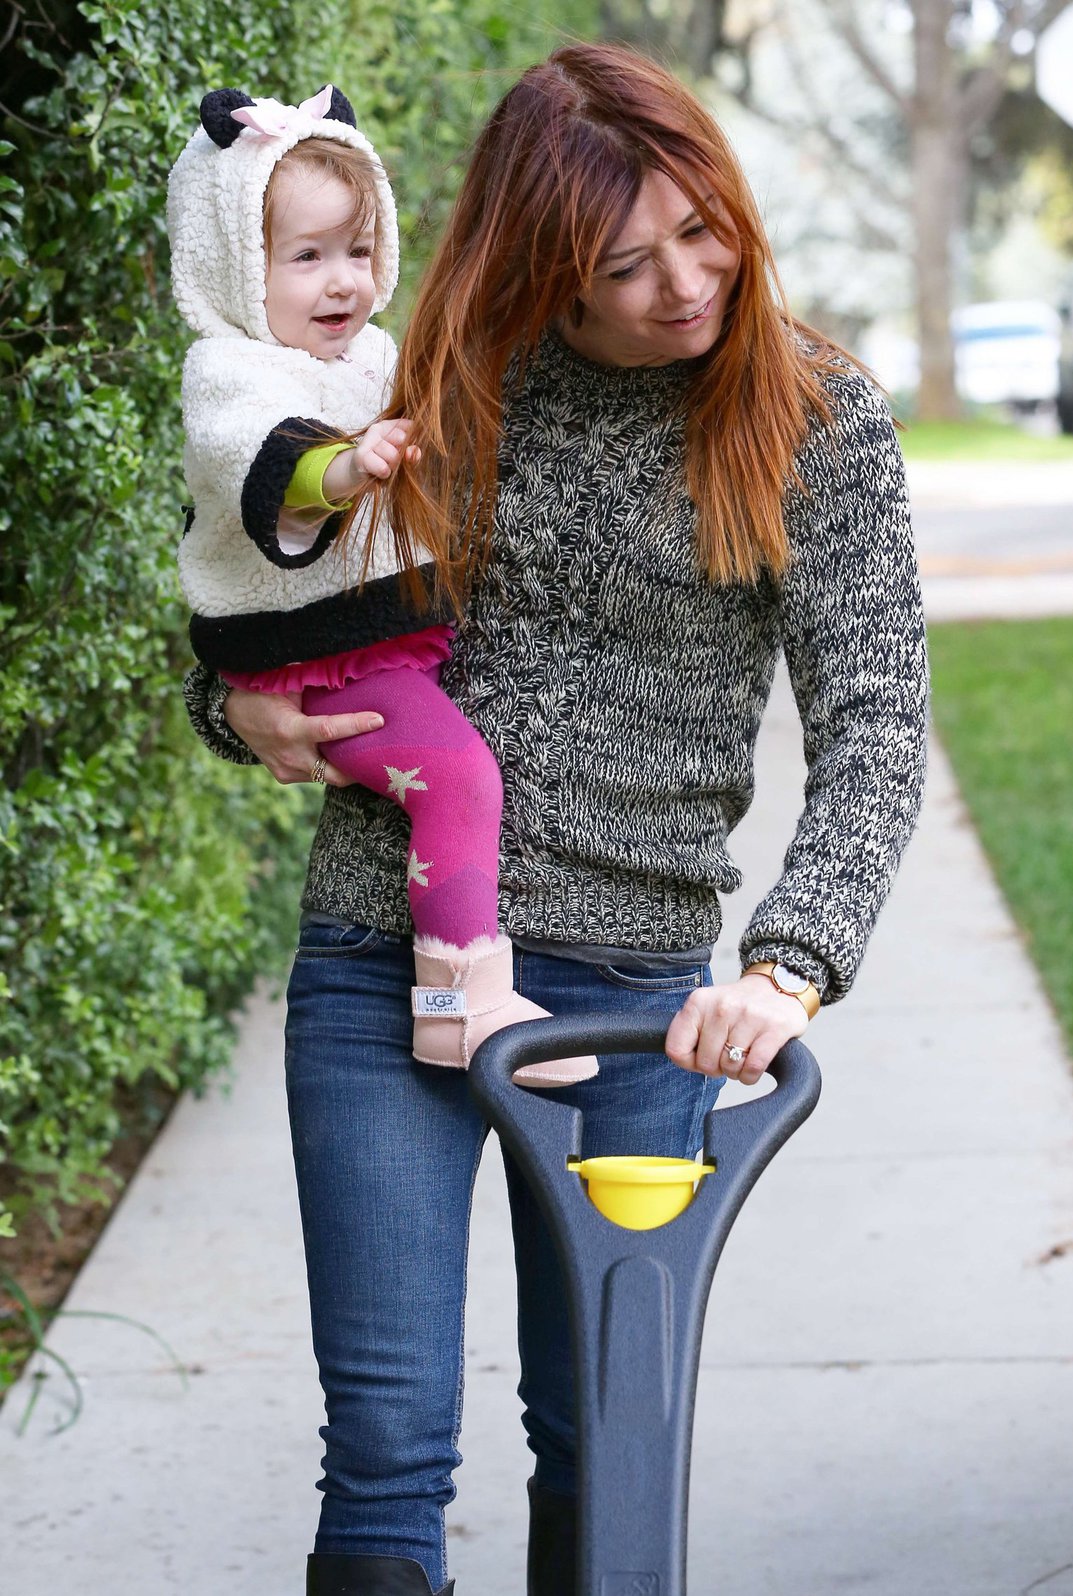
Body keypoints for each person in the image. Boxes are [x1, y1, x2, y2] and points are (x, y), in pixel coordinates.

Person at [183, 43, 928, 1596]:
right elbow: (268, 587)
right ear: (544, 266)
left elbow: (875, 723)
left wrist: (786, 966)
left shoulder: (814, 418)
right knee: (386, 1444)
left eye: (702, 229)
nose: (684, 283)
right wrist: (232, 711)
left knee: (601, 1439)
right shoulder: (436, 382)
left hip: (645, 1003)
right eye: (624, 260)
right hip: (387, 963)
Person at [167, 83, 594, 1086]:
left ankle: (464, 1002)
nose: (342, 283)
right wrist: (348, 467)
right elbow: (266, 460)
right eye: (304, 257)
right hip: (310, 653)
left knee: (453, 779)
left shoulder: (367, 355)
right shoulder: (232, 370)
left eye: (357, 252)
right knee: (457, 780)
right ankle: (461, 1007)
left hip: (359, 637)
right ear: (235, 265)